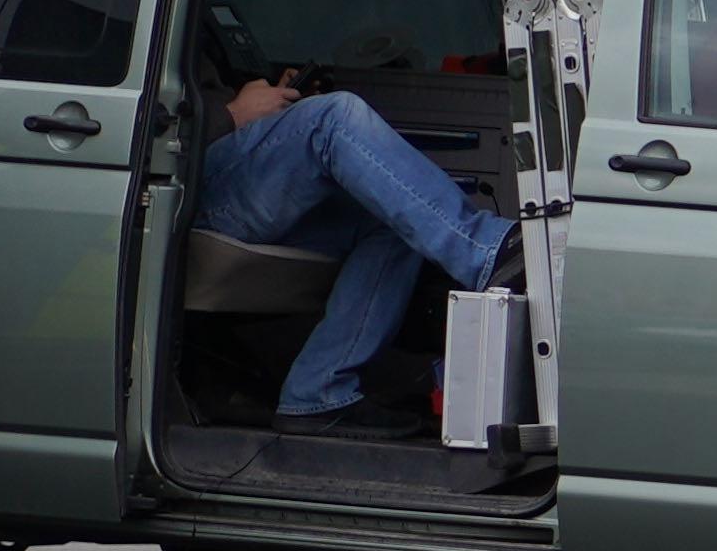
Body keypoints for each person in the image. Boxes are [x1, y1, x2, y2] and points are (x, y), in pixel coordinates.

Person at [204, 73, 511, 433]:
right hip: (191, 178)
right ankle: (487, 253)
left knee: (391, 213)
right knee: (334, 117)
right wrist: (232, 112)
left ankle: (318, 392)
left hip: (224, 160)